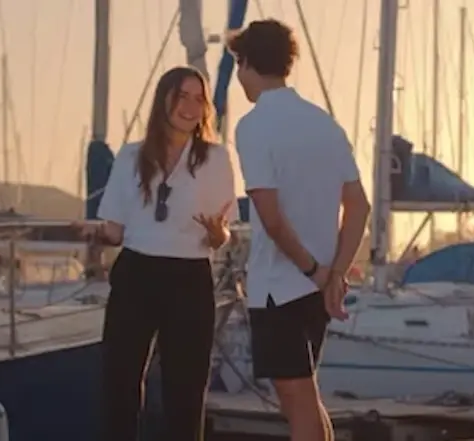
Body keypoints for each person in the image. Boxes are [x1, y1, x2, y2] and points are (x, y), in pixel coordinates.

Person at [228, 19, 372, 441]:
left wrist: (315, 272)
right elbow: (359, 206)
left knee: (298, 403)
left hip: (280, 286)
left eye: (238, 65)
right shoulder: (325, 124)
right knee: (306, 400)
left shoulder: (253, 126)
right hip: (316, 287)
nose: (238, 77)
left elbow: (271, 219)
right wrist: (335, 273)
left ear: (248, 63)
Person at [76, 66, 236, 441]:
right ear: (164, 99)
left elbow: (221, 234)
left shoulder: (215, 159)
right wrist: (95, 233)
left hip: (190, 278)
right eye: (183, 96)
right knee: (121, 385)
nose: (191, 106)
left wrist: (218, 233)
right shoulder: (131, 156)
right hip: (136, 273)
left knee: (186, 393)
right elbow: (115, 230)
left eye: (199, 99)